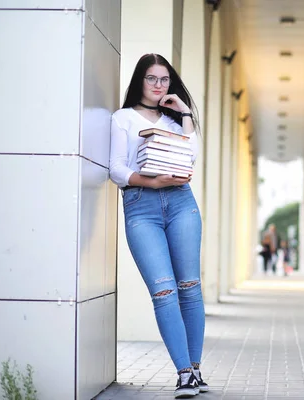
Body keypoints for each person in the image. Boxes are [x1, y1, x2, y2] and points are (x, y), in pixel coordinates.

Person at [109, 53, 207, 398]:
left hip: (181, 201)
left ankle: (194, 369)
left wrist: (183, 113)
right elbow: (116, 168)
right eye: (152, 78)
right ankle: (183, 373)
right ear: (139, 80)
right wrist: (148, 183)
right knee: (163, 290)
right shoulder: (122, 118)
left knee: (190, 287)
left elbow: (190, 156)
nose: (158, 85)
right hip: (142, 205)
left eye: (164, 79)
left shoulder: (174, 119)